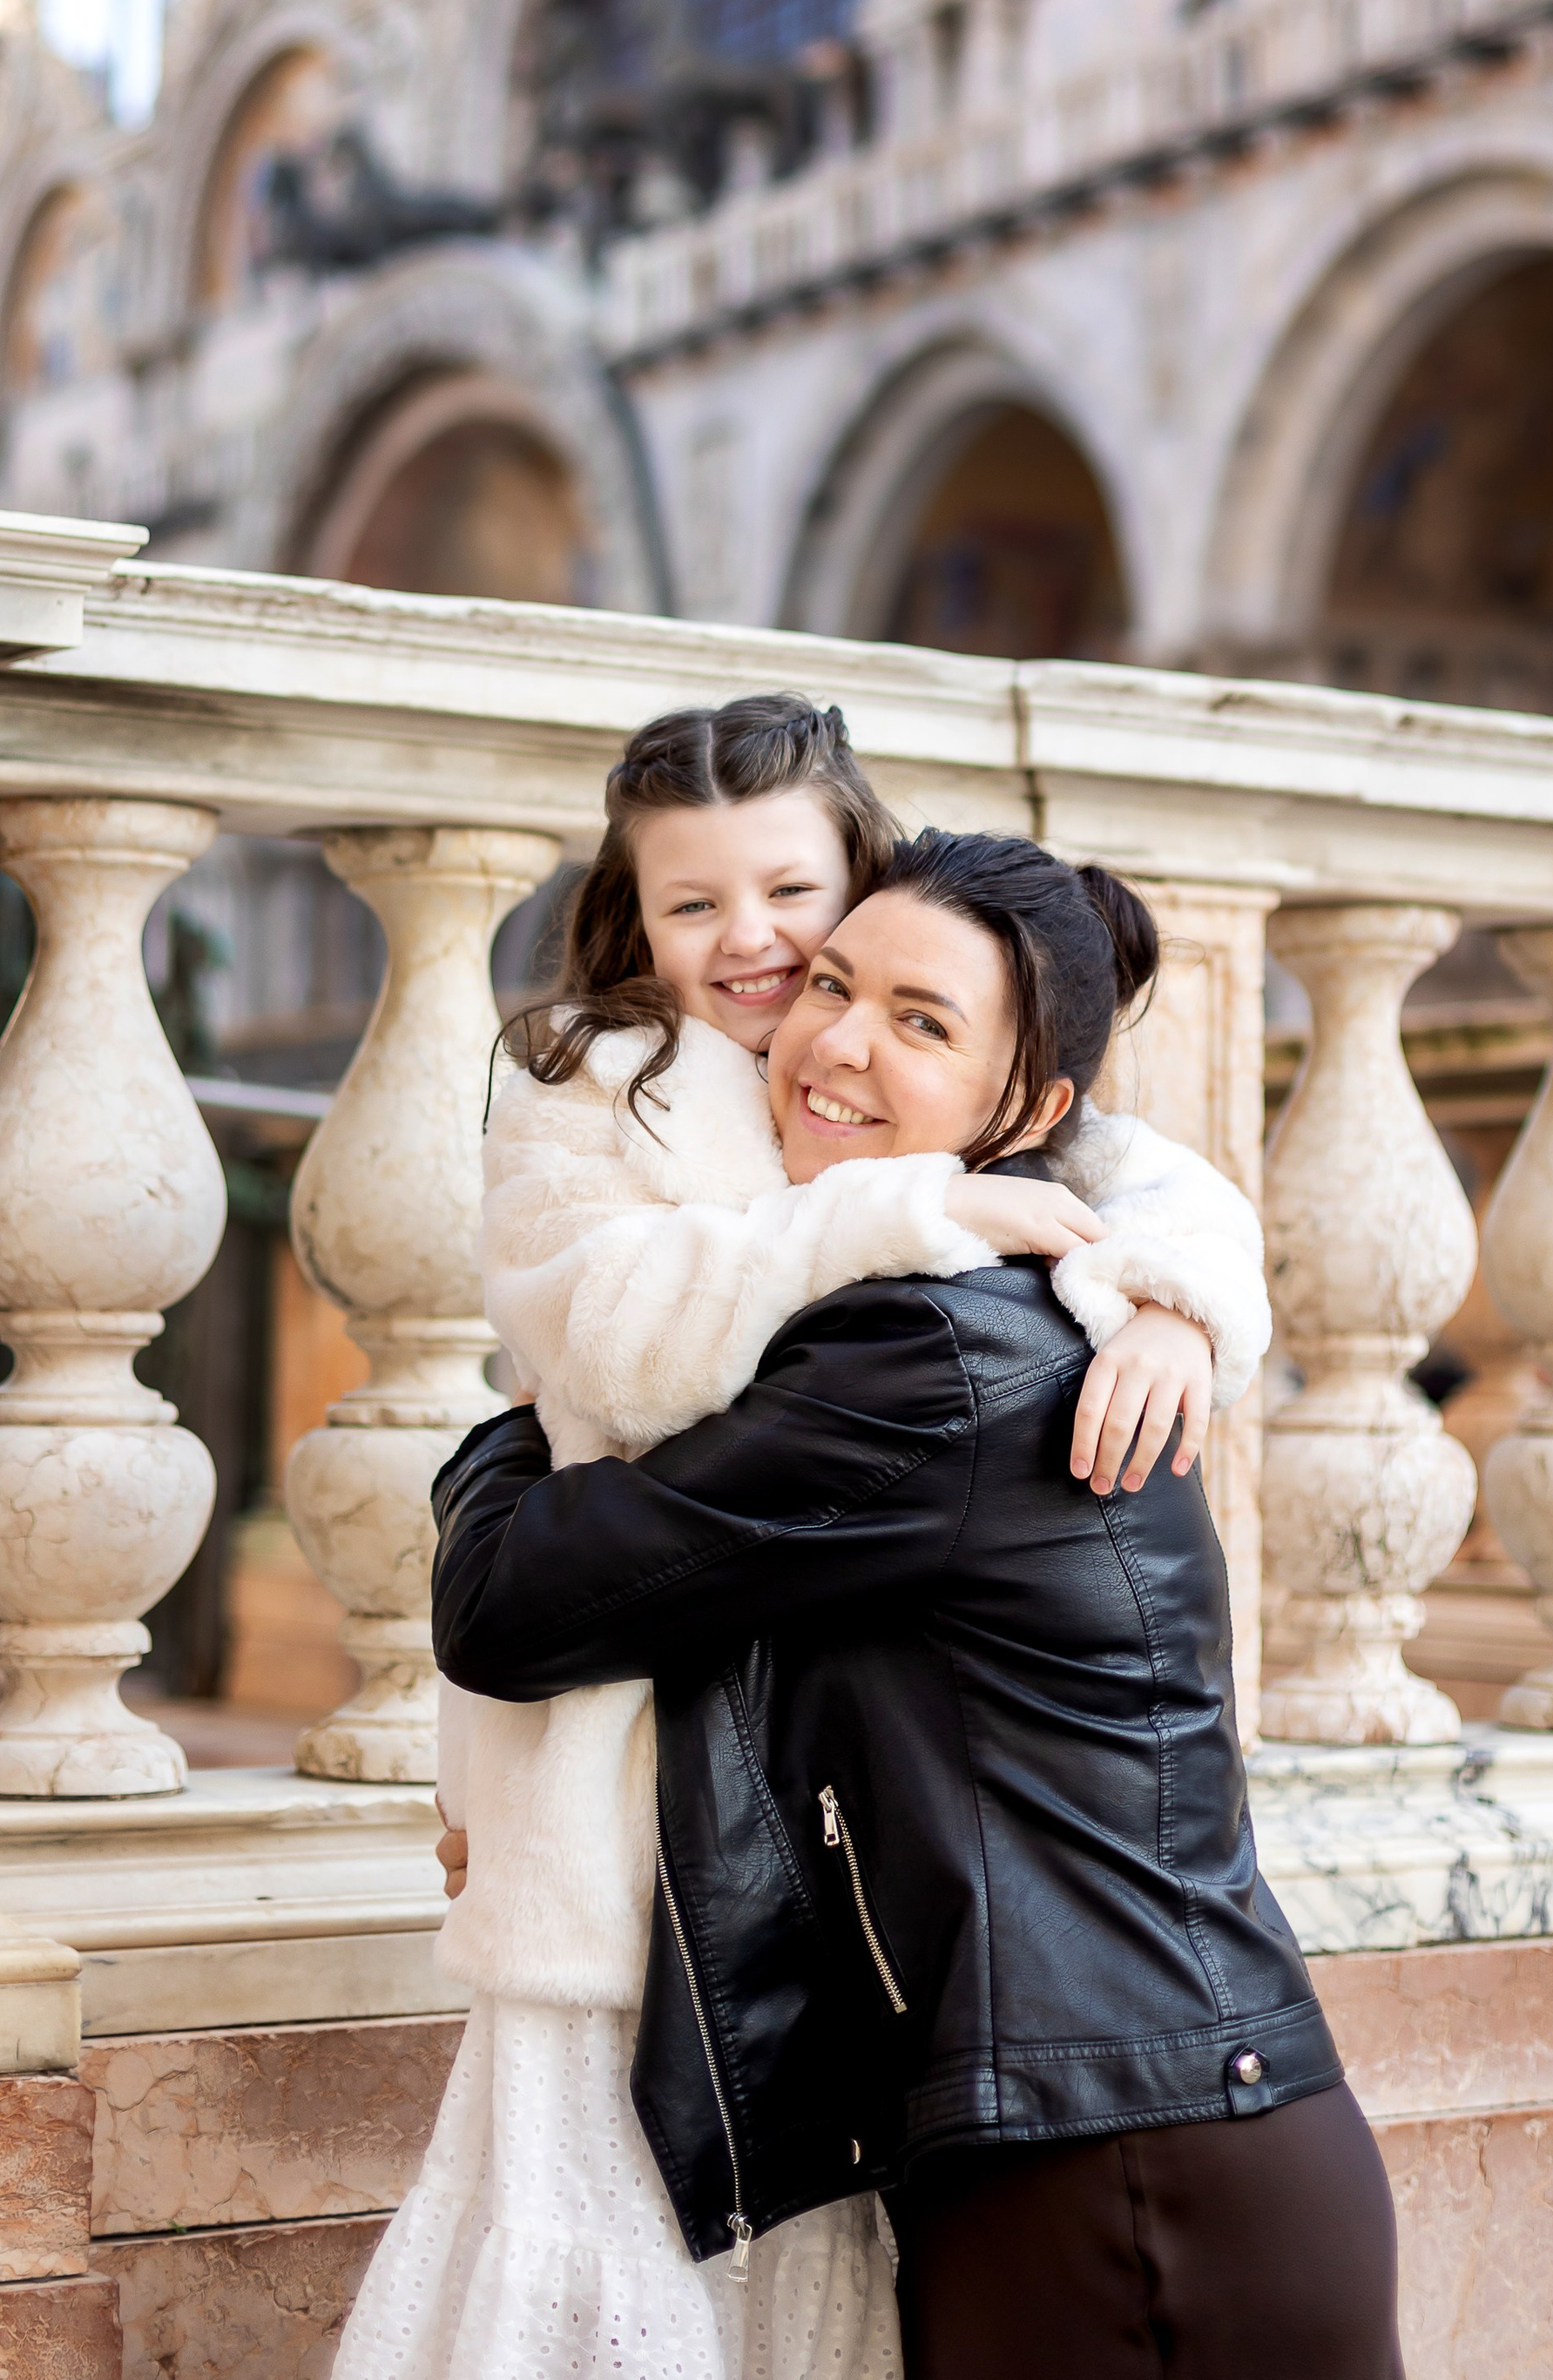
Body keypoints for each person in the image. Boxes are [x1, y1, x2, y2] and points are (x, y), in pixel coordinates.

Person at [332, 700, 1271, 2380]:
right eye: (693, 906)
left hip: (809, 1811)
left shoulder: (888, 1051)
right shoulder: (592, 1083)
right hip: (607, 1755)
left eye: (793, 896)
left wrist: (1182, 1312)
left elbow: (1143, 1172)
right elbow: (614, 1345)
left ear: (864, 875)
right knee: (591, 2264)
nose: (754, 946)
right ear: (633, 915)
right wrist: (899, 1208)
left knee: (792, 2285)